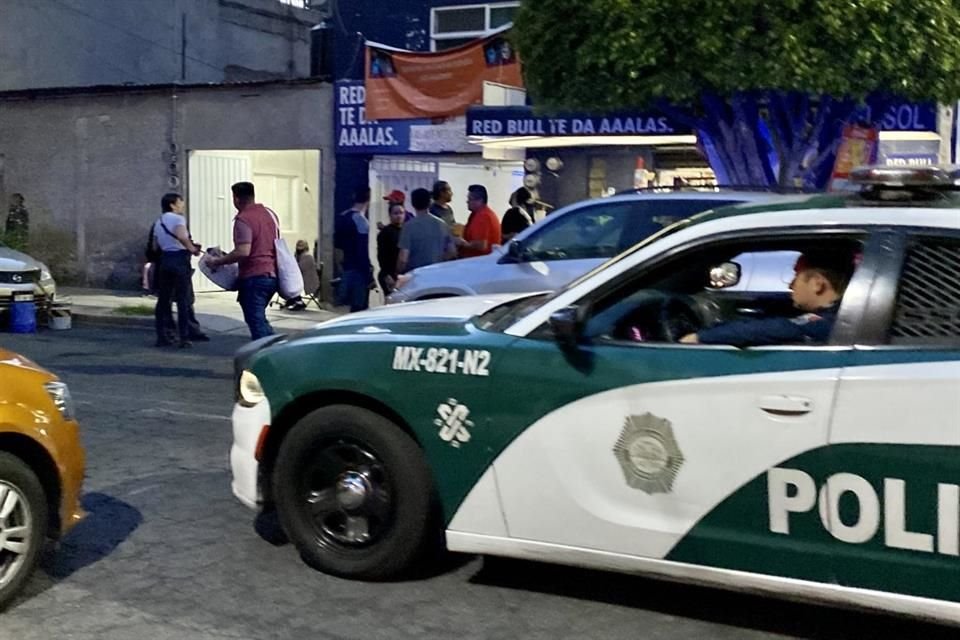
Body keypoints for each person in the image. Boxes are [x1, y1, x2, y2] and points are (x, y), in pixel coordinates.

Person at [680, 250, 855, 347]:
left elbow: (780, 329)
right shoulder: (841, 313)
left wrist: (701, 337)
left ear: (817, 284)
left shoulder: (836, 321)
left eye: (796, 277)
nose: (790, 285)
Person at [205, 182, 279, 340]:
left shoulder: (243, 219)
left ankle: (267, 357)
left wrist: (217, 261)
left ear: (236, 199)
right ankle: (272, 349)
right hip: (271, 275)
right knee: (259, 319)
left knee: (256, 322)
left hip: (254, 276)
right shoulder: (269, 215)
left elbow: (243, 251)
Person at [152, 192, 203, 347]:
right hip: (179, 259)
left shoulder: (158, 221)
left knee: (163, 300)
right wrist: (193, 249)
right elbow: (182, 236)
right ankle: (184, 337)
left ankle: (162, 336)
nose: (182, 205)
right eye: (180, 202)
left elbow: (155, 245)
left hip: (165, 259)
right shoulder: (178, 219)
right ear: (172, 205)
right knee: (182, 299)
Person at [397, 188, 455, 274]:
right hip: (437, 272)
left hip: (416, 274)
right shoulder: (442, 224)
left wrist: (398, 272)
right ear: (430, 202)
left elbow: (403, 259)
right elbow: (452, 252)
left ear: (413, 204)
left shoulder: (409, 227)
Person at [335, 186, 373, 312]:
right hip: (358, 270)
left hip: (346, 267)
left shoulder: (343, 217)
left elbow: (337, 246)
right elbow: (362, 249)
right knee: (359, 307)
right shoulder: (361, 221)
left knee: (346, 305)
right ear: (368, 200)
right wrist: (368, 272)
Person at [457, 184, 501, 258]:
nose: (467, 202)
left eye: (470, 199)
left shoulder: (483, 216)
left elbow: (481, 245)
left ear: (480, 200)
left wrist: (462, 243)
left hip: (478, 262)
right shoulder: (480, 214)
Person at [376, 203, 405, 296]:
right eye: (395, 213)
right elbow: (381, 256)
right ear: (390, 215)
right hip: (389, 274)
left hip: (402, 275)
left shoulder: (406, 231)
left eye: (401, 213)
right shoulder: (385, 233)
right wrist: (387, 275)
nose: (398, 216)